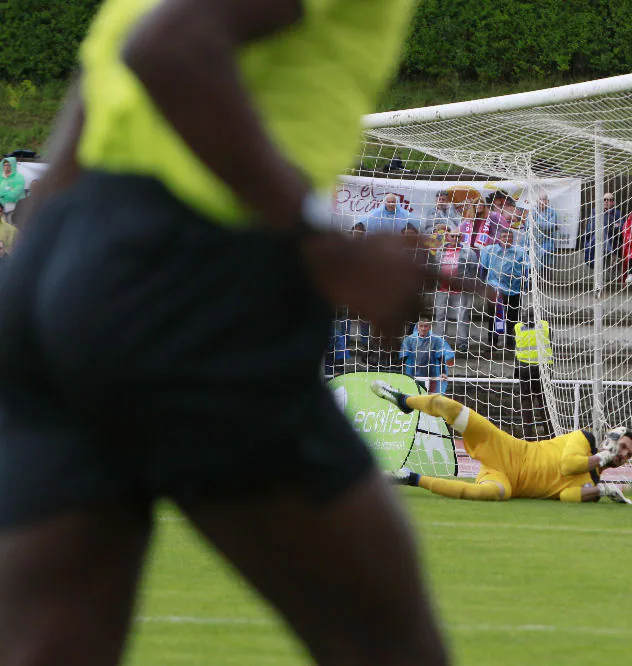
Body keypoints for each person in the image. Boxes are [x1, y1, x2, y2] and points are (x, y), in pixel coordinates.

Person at [0, 2, 449, 666]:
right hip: (191, 278)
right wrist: (322, 244)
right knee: (385, 646)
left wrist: (41, 313)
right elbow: (169, 48)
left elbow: (98, 111)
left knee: (48, 647)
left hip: (59, 273)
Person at [370, 381, 632, 503]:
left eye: (627, 455)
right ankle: (404, 401)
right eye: (622, 447)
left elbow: (566, 495)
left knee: (489, 494)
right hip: (506, 447)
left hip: (509, 480)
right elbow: (567, 464)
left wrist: (601, 492)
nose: (622, 454)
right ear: (612, 439)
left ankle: (411, 478)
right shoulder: (584, 439)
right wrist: (601, 458)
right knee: (446, 405)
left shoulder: (592, 483)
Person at [479, 227, 529, 350]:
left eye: (509, 237)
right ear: (499, 238)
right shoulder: (490, 250)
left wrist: (525, 285)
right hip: (495, 289)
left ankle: (510, 343)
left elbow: (526, 270)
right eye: (504, 237)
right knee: (494, 317)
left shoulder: (520, 252)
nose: (507, 239)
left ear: (513, 239)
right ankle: (493, 342)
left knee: (513, 318)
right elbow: (483, 268)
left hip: (514, 290)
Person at [431, 226, 478, 353]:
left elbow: (474, 269)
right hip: (443, 289)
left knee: (462, 316)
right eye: (453, 236)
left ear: (461, 237)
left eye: (458, 236)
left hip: (460, 289)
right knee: (440, 315)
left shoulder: (468, 252)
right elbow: (436, 266)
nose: (455, 238)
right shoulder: (441, 250)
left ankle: (462, 342)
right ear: (448, 236)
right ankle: (439, 341)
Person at [514, 317, 555, 440]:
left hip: (524, 368)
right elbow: (550, 343)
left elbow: (515, 347)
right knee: (544, 403)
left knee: (526, 403)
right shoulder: (545, 326)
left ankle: (528, 437)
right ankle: (550, 436)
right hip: (541, 369)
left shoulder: (518, 327)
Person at [400, 314, 456, 394]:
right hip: (413, 376)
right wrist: (400, 372)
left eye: (425, 326)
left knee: (430, 398)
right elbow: (403, 358)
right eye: (421, 326)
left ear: (429, 327)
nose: (423, 329)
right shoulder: (409, 340)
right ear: (417, 327)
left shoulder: (436, 340)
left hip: (431, 376)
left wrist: (442, 372)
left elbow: (441, 357)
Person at [583, 191, 623, 272]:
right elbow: (591, 228)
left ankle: (609, 252)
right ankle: (612, 254)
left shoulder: (617, 213)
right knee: (601, 228)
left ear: (614, 202)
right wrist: (610, 223)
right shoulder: (595, 211)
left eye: (610, 200)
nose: (607, 202)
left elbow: (620, 227)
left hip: (611, 240)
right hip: (595, 241)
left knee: (602, 227)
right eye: (604, 199)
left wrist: (609, 224)